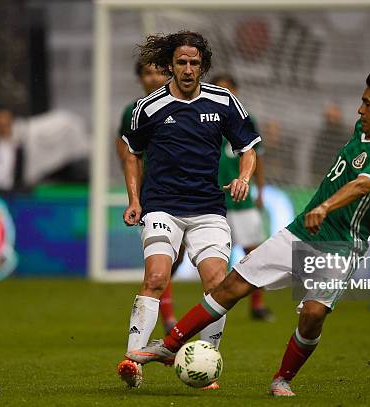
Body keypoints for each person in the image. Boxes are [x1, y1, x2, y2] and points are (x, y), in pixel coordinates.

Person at [127, 72, 370, 397]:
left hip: (340, 246)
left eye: (367, 103)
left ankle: (281, 379)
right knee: (231, 285)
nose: (360, 110)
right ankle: (169, 345)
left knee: (313, 316)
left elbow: (361, 183)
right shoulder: (364, 130)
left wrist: (331, 205)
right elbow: (359, 175)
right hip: (301, 232)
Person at [117, 31, 260, 388]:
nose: (187, 68)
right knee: (156, 277)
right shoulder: (148, 108)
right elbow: (131, 153)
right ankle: (133, 362)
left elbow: (248, 148)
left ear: (203, 66)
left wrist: (244, 176)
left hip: (208, 209)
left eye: (194, 62)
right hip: (162, 207)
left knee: (216, 282)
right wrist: (135, 199)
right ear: (170, 65)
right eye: (181, 62)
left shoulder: (224, 102)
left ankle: (206, 361)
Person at [116, 58, 179, 335]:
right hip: (154, 195)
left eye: (158, 72)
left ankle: (162, 305)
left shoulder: (181, 104)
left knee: (173, 260)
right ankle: (168, 317)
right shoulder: (133, 110)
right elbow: (127, 153)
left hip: (187, 194)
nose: (152, 78)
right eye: (147, 73)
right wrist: (135, 193)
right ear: (140, 78)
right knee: (161, 260)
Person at [212, 73, 274, 322]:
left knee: (255, 255)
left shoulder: (247, 120)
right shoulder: (203, 119)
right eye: (219, 90)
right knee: (216, 259)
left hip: (244, 198)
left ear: (236, 91)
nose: (224, 94)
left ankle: (257, 305)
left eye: (228, 89)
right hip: (215, 201)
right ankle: (216, 307)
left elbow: (256, 157)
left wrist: (259, 191)